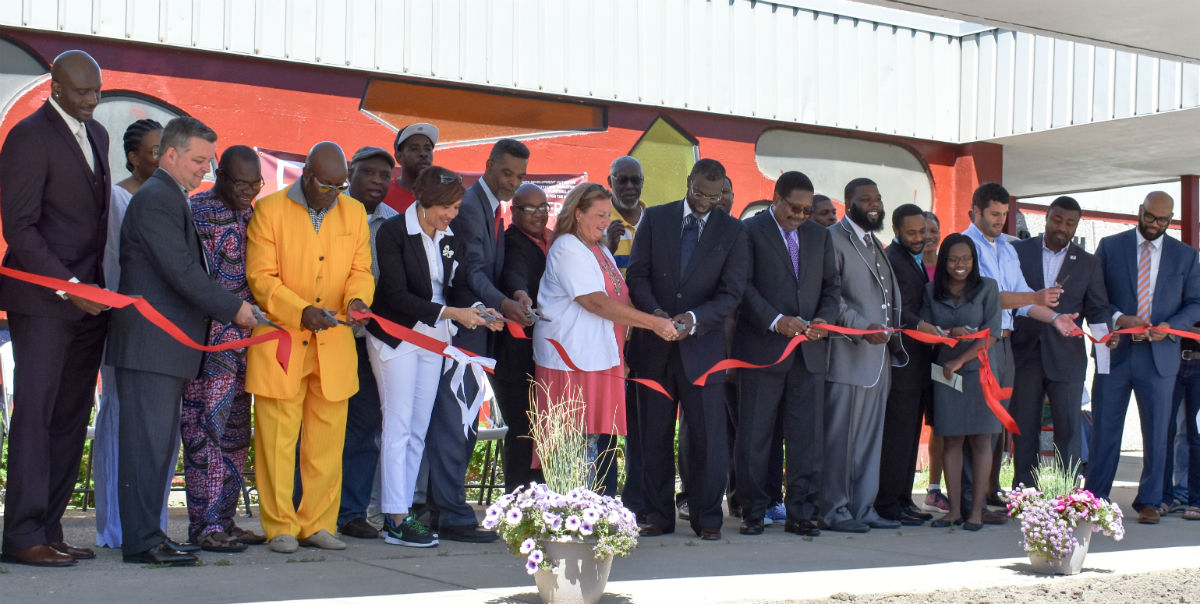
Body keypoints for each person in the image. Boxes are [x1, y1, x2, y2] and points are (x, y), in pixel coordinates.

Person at [107, 117, 258, 565]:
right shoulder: (157, 198)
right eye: (198, 161)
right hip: (152, 345)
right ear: (167, 154)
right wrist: (234, 308)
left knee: (155, 447)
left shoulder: (169, 195)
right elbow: (182, 272)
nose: (204, 171)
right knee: (146, 447)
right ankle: (142, 541)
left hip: (164, 347)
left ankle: (149, 536)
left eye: (208, 162)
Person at [0, 50, 111, 568]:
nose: (92, 100)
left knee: (70, 418)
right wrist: (69, 286)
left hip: (91, 305)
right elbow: (19, 227)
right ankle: (21, 535)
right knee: (36, 417)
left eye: (97, 91)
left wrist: (96, 291)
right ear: (55, 87)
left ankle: (50, 528)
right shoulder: (27, 136)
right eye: (82, 92)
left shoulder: (100, 136)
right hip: (43, 303)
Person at [245, 142, 375, 553]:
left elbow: (361, 269)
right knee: (277, 441)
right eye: (327, 186)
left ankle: (318, 523)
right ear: (306, 176)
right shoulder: (269, 211)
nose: (335, 194)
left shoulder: (353, 212)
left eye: (342, 186)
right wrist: (299, 310)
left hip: (334, 343)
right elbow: (261, 278)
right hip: (283, 342)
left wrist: (356, 300)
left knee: (326, 442)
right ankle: (280, 526)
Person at [368, 166, 502, 548]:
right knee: (397, 425)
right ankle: (393, 518)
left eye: (456, 207)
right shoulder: (394, 232)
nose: (452, 214)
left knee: (418, 428)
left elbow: (457, 286)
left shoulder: (450, 235)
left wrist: (477, 308)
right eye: (446, 207)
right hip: (396, 338)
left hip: (434, 340)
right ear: (422, 202)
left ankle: (403, 511)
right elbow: (394, 294)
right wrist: (450, 313)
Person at [626, 159, 749, 541]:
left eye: (715, 196)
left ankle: (707, 518)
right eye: (699, 193)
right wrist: (657, 315)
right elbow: (637, 274)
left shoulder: (733, 231)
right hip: (653, 345)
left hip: (702, 351)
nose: (705, 202)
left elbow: (731, 293)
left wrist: (693, 319)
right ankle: (658, 516)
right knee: (653, 435)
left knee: (708, 438)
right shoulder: (656, 218)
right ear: (688, 183)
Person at [533, 183, 677, 495]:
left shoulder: (598, 248)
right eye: (598, 215)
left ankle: (595, 517)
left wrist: (622, 355)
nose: (605, 221)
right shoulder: (568, 247)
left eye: (607, 215)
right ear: (577, 213)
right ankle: (572, 520)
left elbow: (620, 301)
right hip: (572, 361)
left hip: (599, 359)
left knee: (598, 445)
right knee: (573, 448)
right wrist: (653, 323)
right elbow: (595, 302)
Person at [429, 138, 533, 543]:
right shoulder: (471, 207)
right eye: (506, 172)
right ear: (488, 165)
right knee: (457, 422)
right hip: (462, 331)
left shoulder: (492, 209)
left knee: (464, 422)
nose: (512, 181)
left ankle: (446, 508)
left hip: (479, 332)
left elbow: (495, 268)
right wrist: (505, 303)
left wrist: (517, 294)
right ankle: (451, 514)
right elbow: (471, 274)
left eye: (520, 176)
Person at [733, 171, 838, 537]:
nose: (800, 216)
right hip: (763, 350)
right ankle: (755, 510)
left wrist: (826, 318)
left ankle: (803, 512)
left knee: (806, 437)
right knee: (756, 436)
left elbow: (831, 288)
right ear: (775, 198)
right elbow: (741, 287)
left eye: (807, 210)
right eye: (794, 208)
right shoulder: (749, 231)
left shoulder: (819, 236)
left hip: (809, 353)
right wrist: (775, 320)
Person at [962, 182, 1076, 517]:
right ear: (976, 211)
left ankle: (988, 491)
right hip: (980, 344)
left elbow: (1023, 298)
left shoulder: (1006, 248)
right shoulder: (965, 244)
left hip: (1006, 343)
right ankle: (971, 500)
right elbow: (988, 297)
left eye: (1004, 214)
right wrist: (1034, 298)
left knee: (997, 425)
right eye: (994, 214)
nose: (1000, 220)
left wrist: (1055, 319)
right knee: (978, 423)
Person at [1090, 190, 1200, 524]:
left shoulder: (1186, 256)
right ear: (1140, 211)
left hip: (1160, 356)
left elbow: (1195, 302)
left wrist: (1171, 326)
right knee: (1106, 428)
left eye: (1163, 220)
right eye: (1151, 217)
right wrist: (1121, 318)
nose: (1155, 225)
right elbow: (1095, 298)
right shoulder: (1111, 247)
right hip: (1116, 353)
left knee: (1158, 432)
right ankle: (1095, 499)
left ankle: (1151, 500)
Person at [180, 145, 267, 552]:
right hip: (208, 344)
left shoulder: (255, 214)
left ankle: (226, 520)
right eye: (241, 182)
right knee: (203, 432)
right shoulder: (196, 212)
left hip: (247, 344)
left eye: (256, 183)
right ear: (220, 175)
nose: (249, 190)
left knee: (235, 433)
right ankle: (205, 526)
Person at [94, 118, 166, 549]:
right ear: (133, 156)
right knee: (121, 416)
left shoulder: (173, 197)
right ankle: (117, 527)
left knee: (158, 429)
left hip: (166, 332)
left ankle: (150, 523)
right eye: (153, 151)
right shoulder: (119, 198)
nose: (161, 158)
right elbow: (113, 267)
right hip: (127, 325)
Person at [820, 178, 906, 533]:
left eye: (877, 197)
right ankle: (833, 509)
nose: (874, 203)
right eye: (865, 198)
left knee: (870, 440)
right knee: (839, 439)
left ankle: (863, 507)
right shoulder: (833, 238)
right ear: (848, 202)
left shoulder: (875, 241)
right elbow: (831, 298)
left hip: (879, 358)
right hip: (847, 355)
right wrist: (861, 327)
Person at [1010, 196, 1110, 490]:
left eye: (1070, 223)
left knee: (1068, 429)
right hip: (1024, 353)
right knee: (1024, 427)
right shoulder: (1019, 251)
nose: (1062, 227)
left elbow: (1098, 309)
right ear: (1046, 217)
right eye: (1057, 220)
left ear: (1076, 225)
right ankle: (1025, 493)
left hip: (1067, 357)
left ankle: (1066, 495)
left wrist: (1107, 335)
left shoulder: (1089, 263)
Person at [337, 146, 400, 540]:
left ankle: (351, 512)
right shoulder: (327, 211)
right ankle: (302, 508)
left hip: (371, 342)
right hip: (328, 333)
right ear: (350, 172)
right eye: (370, 173)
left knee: (364, 427)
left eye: (384, 176)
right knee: (318, 426)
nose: (378, 181)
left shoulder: (394, 223)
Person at [919, 234, 1001, 531]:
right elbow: (924, 328)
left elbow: (991, 334)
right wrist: (944, 331)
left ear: (974, 261)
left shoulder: (988, 288)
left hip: (977, 371)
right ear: (943, 261)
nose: (960, 265)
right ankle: (953, 511)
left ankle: (976, 512)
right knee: (951, 440)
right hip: (944, 374)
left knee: (981, 440)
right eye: (953, 259)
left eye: (966, 259)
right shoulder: (931, 291)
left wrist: (959, 359)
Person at [875, 203, 936, 526]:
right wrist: (926, 327)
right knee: (897, 436)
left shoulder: (914, 259)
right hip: (903, 362)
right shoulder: (893, 259)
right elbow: (897, 312)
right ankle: (888, 502)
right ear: (896, 232)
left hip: (918, 363)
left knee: (911, 433)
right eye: (911, 233)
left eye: (923, 231)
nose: (919, 238)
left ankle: (902, 498)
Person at [494, 183, 552, 492]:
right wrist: (520, 294)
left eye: (543, 207)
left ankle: (542, 499)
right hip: (513, 355)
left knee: (543, 428)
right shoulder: (512, 242)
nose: (539, 214)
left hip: (547, 352)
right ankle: (518, 501)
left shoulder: (553, 240)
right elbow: (514, 273)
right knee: (522, 428)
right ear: (514, 211)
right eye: (530, 209)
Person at [920, 210, 949, 513]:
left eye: (933, 230)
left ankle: (934, 489)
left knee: (942, 423)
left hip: (943, 358)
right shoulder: (906, 266)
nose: (929, 237)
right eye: (922, 231)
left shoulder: (948, 268)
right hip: (914, 356)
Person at [1165, 322, 1200, 520]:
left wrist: (1182, 327)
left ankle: (1196, 499)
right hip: (1172, 360)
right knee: (1169, 432)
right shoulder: (1177, 289)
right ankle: (1169, 495)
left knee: (1195, 435)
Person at [381, 122, 437, 213]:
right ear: (399, 157)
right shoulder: (382, 194)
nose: (423, 154)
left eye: (428, 149)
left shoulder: (445, 196)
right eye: (414, 148)